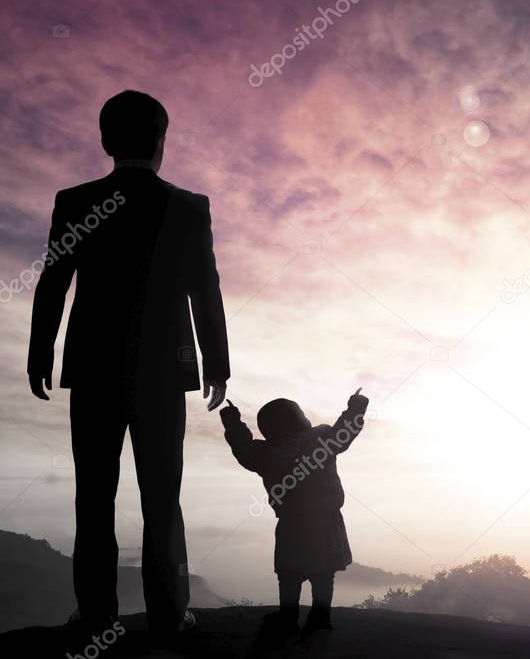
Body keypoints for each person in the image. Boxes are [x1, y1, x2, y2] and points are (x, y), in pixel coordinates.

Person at [27, 90, 230, 638]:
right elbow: (204, 290)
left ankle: (96, 614)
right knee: (163, 494)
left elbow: (53, 283)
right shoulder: (189, 207)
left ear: (104, 141)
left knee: (93, 493)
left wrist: (39, 351)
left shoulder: (74, 200)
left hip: (93, 368)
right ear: (162, 141)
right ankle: (169, 613)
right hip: (166, 372)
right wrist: (217, 364)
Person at [219, 389, 368, 636]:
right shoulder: (322, 440)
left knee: (289, 574)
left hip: (291, 522)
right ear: (300, 419)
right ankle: (320, 616)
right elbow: (346, 431)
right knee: (323, 575)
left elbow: (243, 449)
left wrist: (233, 420)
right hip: (326, 520)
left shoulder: (265, 455)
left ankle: (288, 616)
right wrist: (356, 406)